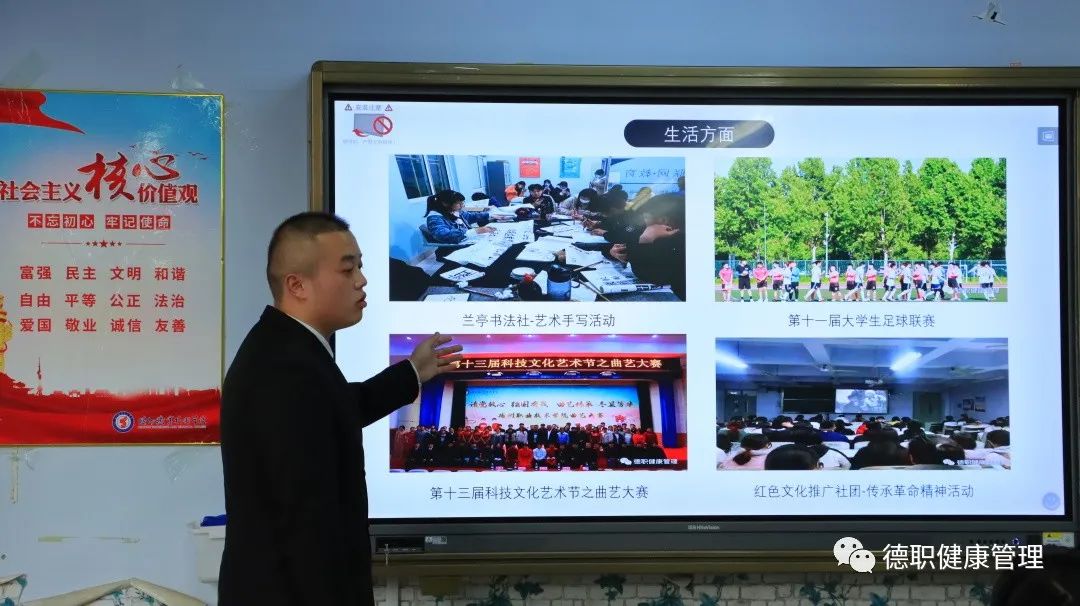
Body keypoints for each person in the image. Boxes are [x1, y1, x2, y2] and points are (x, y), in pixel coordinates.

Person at [219, 211, 464, 606]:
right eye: (348, 269)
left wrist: (412, 372)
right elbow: (305, 523)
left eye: (360, 267)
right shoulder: (284, 367)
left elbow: (333, 410)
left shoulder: (288, 350)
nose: (361, 280)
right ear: (297, 285)